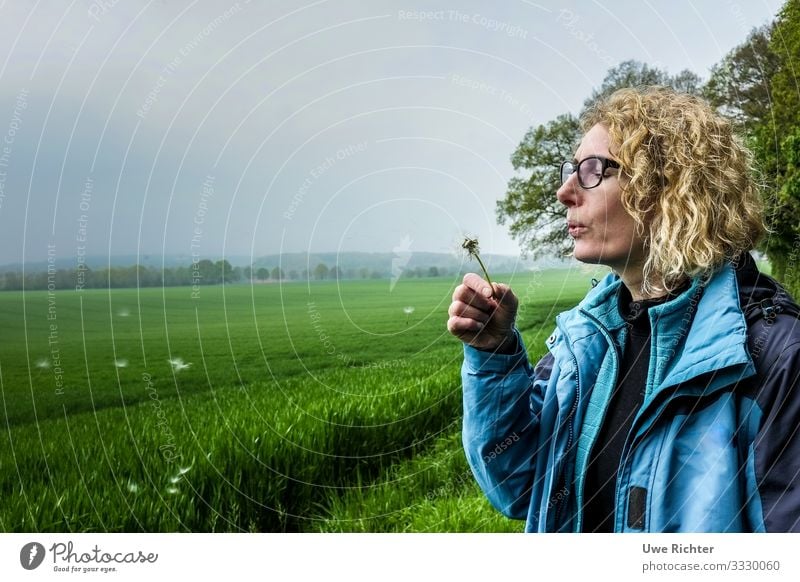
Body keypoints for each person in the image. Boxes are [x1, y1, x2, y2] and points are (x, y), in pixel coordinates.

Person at [447, 86, 800, 533]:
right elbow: (518, 486)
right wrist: (494, 355)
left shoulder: (774, 353)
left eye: (593, 170)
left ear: (668, 186)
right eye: (570, 170)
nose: (564, 192)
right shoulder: (586, 340)